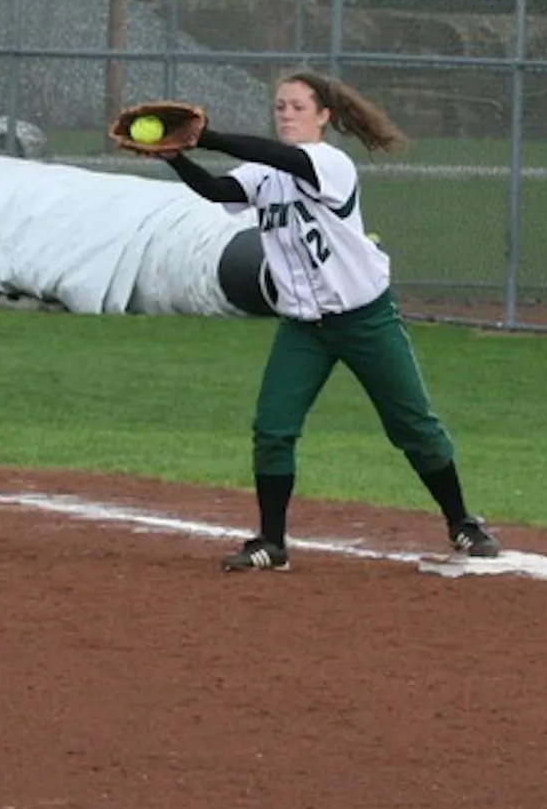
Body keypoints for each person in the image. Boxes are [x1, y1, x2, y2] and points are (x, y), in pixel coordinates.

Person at [160, 71, 501, 571]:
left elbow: (286, 159)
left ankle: (462, 522)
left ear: (323, 116)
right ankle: (271, 542)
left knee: (412, 424)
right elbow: (217, 190)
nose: (287, 114)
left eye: (298, 107)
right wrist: (176, 157)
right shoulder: (263, 174)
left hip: (365, 318)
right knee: (273, 428)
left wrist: (206, 137)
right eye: (280, 106)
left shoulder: (329, 163)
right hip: (303, 328)